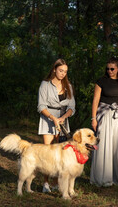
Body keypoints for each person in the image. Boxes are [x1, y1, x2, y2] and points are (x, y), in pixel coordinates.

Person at [90, 57, 118, 187]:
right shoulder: (101, 82)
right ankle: (103, 178)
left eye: (112, 69)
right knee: (104, 145)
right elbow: (95, 100)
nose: (109, 71)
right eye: (108, 68)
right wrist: (93, 118)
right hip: (105, 116)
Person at [37, 58, 76, 192]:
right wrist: (53, 118)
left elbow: (72, 107)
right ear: (54, 69)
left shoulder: (68, 86)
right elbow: (41, 106)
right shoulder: (45, 84)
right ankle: (46, 183)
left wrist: (63, 118)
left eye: (65, 71)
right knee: (48, 153)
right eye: (60, 70)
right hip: (48, 119)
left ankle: (56, 183)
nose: (63, 74)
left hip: (63, 121)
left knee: (61, 154)